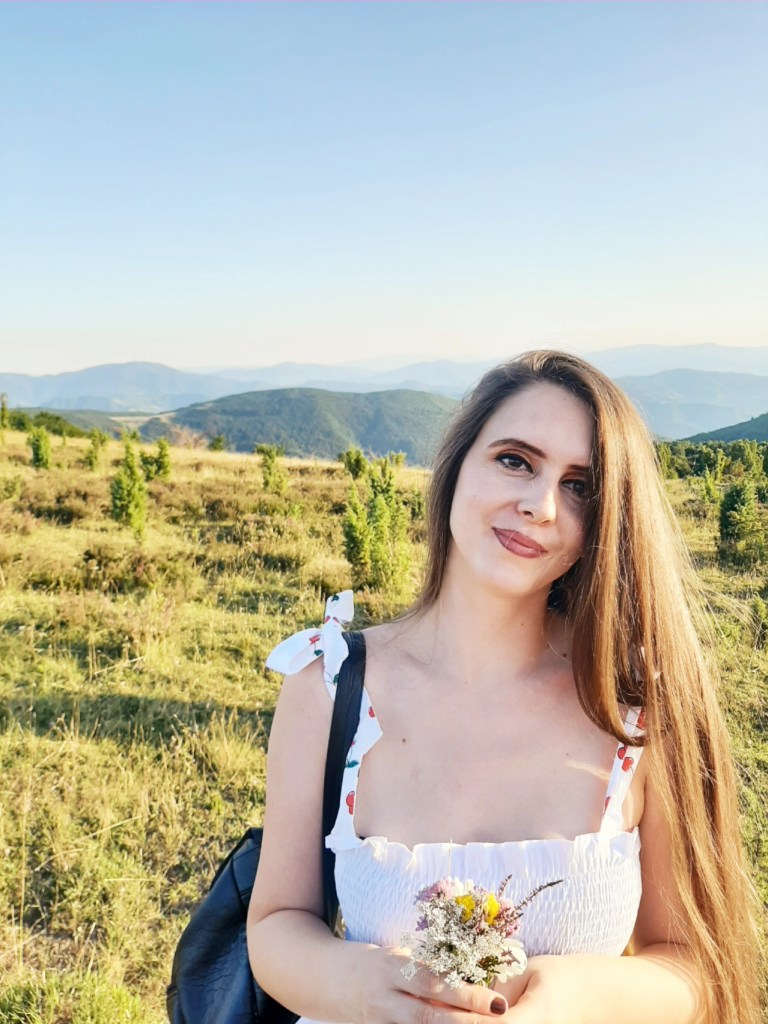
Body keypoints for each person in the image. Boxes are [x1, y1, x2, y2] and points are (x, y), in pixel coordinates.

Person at [247, 350, 761, 1024]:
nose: (539, 505)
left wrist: (570, 999)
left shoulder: (638, 709)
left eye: (580, 486)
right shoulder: (330, 687)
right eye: (515, 460)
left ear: (606, 521)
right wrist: (366, 988)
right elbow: (277, 922)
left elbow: (696, 966)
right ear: (457, 465)